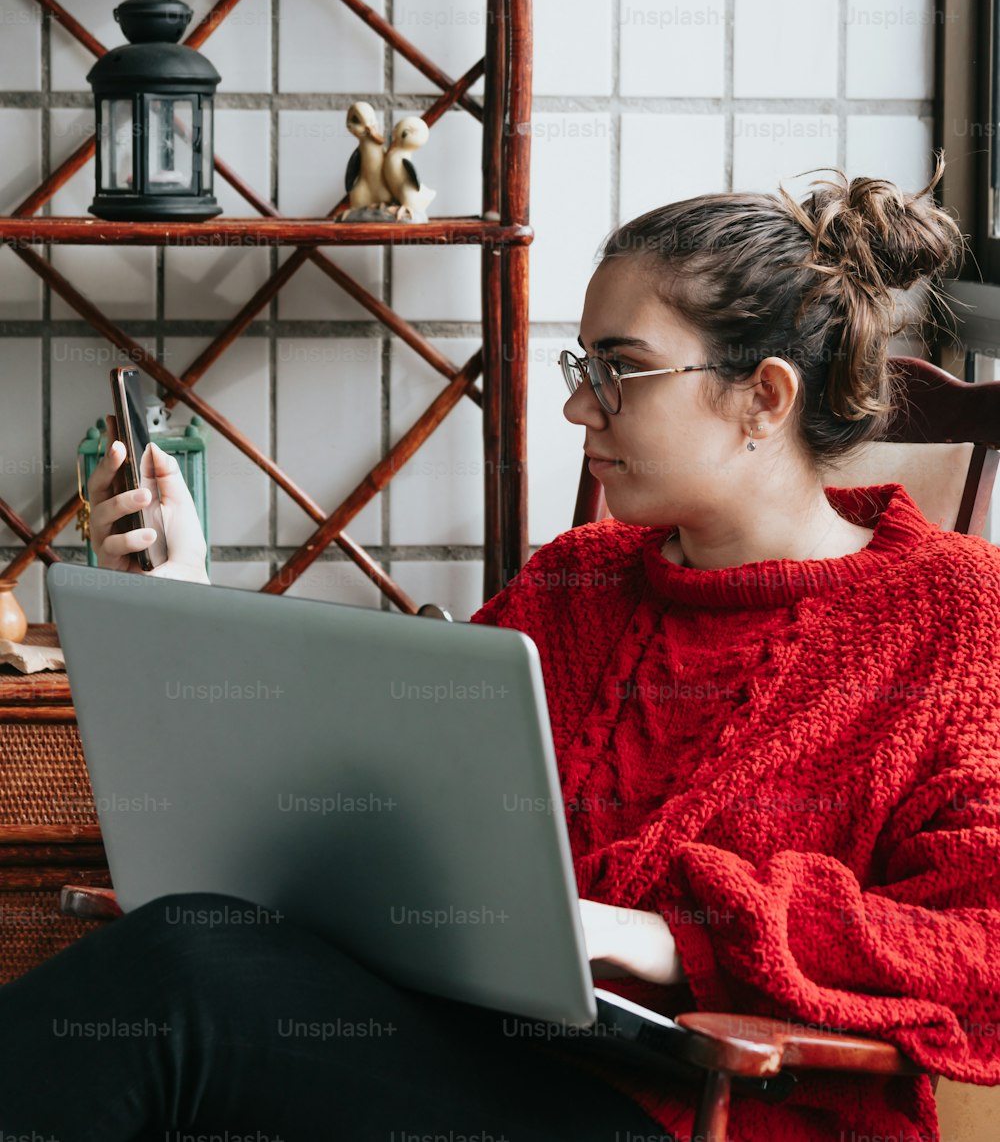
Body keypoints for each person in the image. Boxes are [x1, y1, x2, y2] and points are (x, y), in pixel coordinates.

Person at [2, 159, 998, 1142]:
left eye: (619, 371)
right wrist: (187, 594)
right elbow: (365, 780)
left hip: (704, 1111)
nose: (578, 410)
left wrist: (665, 937)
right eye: (581, 370)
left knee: (179, 983)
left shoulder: (957, 614)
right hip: (488, 1058)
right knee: (189, 959)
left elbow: (977, 942)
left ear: (763, 398)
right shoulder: (577, 580)